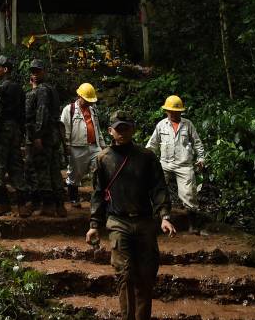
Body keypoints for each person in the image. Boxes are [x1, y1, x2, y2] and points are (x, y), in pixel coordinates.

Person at [87, 111, 175, 320]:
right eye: (118, 129)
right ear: (110, 131)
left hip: (144, 222)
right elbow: (98, 194)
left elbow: (158, 188)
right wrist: (94, 224)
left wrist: (165, 216)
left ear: (133, 129)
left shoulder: (146, 157)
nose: (123, 132)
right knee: (124, 275)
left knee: (145, 276)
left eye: (126, 128)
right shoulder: (103, 159)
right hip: (118, 222)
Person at [145, 95, 207, 234]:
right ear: (166, 111)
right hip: (165, 163)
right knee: (157, 189)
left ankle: (193, 225)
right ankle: (159, 220)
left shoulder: (188, 124)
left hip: (184, 164)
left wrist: (201, 158)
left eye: (176, 111)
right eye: (170, 111)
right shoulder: (161, 125)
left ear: (181, 112)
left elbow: (197, 143)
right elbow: (152, 145)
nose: (173, 114)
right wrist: (145, 159)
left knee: (189, 193)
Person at [0, 55, 29, 217]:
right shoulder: (19, 88)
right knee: (15, 164)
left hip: (1, 131)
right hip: (16, 130)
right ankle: (22, 204)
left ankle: (1, 203)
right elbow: (23, 112)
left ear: (6, 70)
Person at [24, 59, 67, 217]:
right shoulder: (51, 89)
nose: (34, 75)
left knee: (43, 168)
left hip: (45, 135)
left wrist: (38, 135)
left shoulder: (42, 89)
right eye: (32, 72)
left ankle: (48, 205)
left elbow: (42, 111)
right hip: (53, 135)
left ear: (44, 72)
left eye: (37, 71)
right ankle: (60, 205)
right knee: (54, 169)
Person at [61, 82, 106, 208]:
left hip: (94, 146)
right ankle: (73, 198)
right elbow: (65, 129)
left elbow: (97, 128)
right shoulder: (69, 110)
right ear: (79, 96)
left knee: (100, 169)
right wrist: (67, 146)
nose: (89, 103)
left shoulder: (93, 110)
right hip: (77, 147)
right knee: (75, 174)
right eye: (87, 100)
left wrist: (103, 145)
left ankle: (98, 198)